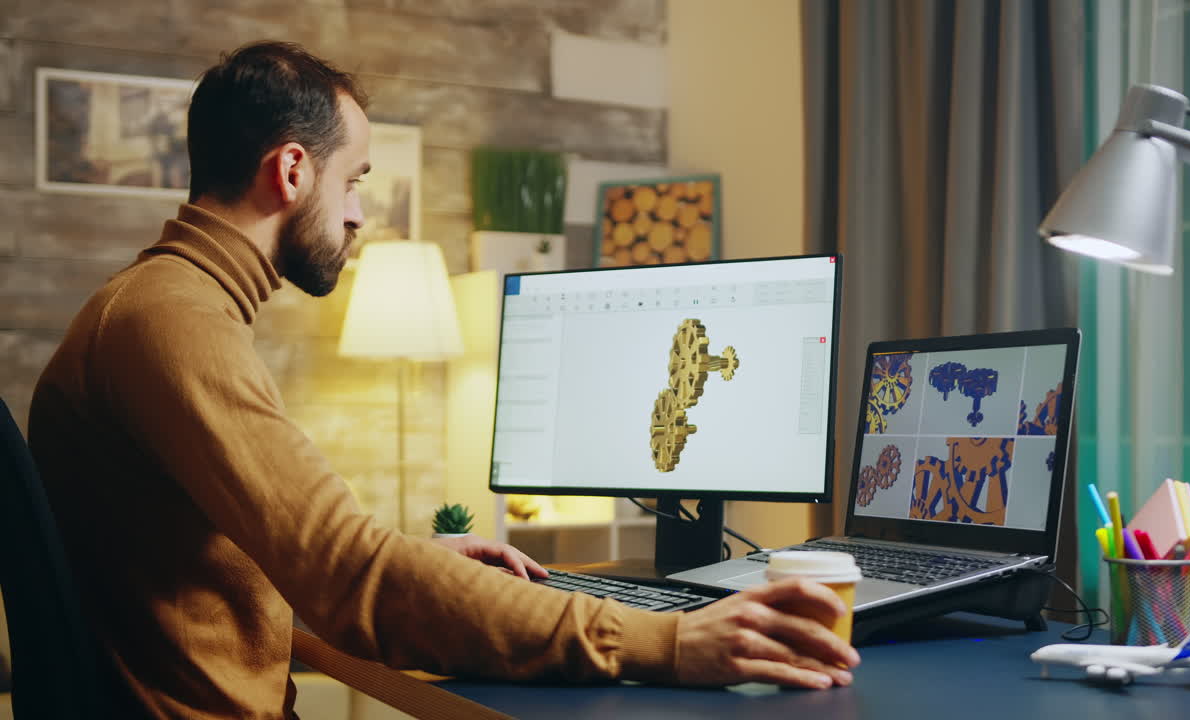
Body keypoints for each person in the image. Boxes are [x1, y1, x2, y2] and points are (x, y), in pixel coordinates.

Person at [28, 41, 859, 719]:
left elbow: (237, 566)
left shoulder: (161, 308)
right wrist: (664, 642)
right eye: (352, 180)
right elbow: (353, 579)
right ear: (290, 172)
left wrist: (425, 564)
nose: (357, 213)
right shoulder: (172, 324)